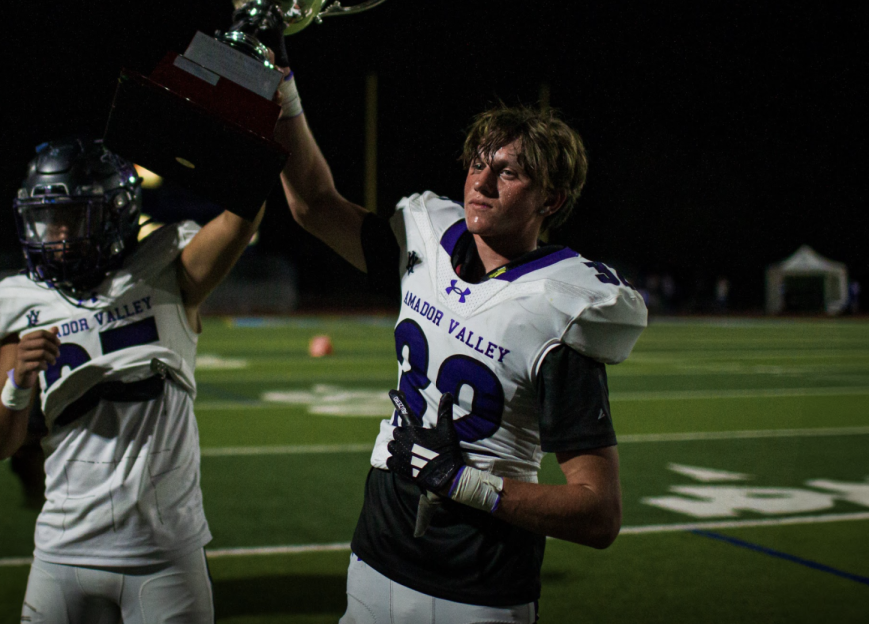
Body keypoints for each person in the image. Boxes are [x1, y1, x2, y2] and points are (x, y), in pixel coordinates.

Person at [273, 75, 648, 622]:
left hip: (479, 582)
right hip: (378, 547)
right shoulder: (427, 241)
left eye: (509, 172)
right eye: (478, 163)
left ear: (552, 199)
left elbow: (598, 513)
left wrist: (468, 483)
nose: (483, 182)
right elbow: (312, 202)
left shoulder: (558, 307)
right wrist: (281, 89)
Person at [0, 138, 262, 624]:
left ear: (116, 213)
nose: (56, 232)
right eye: (47, 218)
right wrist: (19, 382)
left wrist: (249, 123)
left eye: (72, 215)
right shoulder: (13, 302)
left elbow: (243, 214)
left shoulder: (169, 266)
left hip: (165, 552)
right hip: (63, 549)